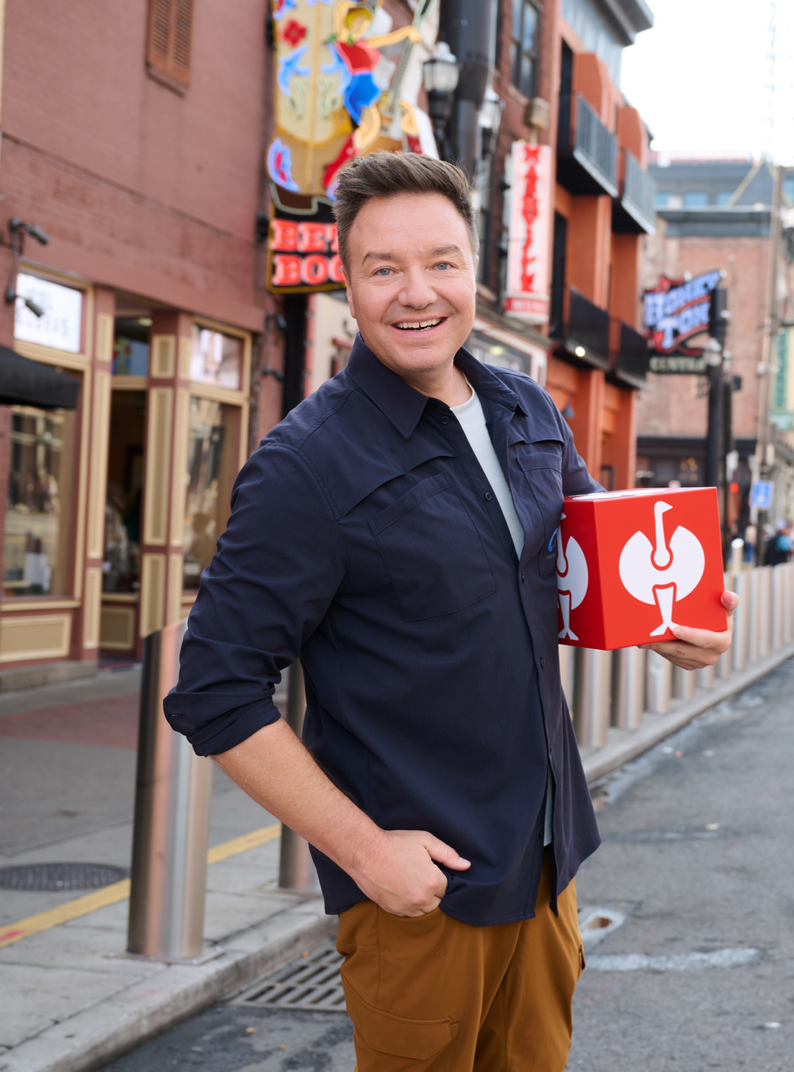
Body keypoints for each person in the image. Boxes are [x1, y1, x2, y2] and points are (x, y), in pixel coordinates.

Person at [163, 153, 736, 1071]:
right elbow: (214, 694)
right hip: (418, 889)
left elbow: (593, 559)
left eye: (441, 262)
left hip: (548, 865)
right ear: (347, 283)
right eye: (383, 268)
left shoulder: (525, 408)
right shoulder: (304, 466)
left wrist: (678, 627)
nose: (415, 292)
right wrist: (364, 852)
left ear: (478, 271)